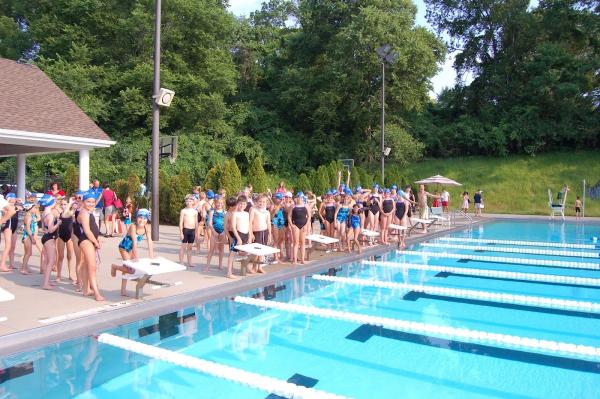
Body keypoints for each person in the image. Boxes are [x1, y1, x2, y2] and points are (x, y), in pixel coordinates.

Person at [111, 209, 154, 296]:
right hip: (124, 248)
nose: (142, 220)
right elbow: (134, 242)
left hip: (131, 250)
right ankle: (114, 267)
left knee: (126, 269)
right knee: (130, 270)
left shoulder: (147, 227)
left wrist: (151, 255)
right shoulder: (133, 226)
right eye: (140, 218)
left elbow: (149, 241)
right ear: (137, 218)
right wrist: (136, 256)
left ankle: (123, 290)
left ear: (147, 219)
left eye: (144, 218)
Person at [77, 192, 104, 301]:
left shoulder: (88, 212)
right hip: (86, 240)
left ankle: (86, 290)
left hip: (91, 240)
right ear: (83, 202)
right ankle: (96, 293)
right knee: (92, 267)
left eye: (93, 202)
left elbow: (93, 227)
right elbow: (87, 231)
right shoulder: (84, 213)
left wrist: (97, 239)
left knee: (86, 265)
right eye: (88, 201)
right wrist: (96, 242)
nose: (91, 204)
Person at [39, 194, 62, 290]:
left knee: (47, 260)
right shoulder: (51, 215)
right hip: (49, 238)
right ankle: (45, 284)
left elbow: (44, 228)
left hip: (46, 237)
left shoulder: (44, 213)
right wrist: (58, 223)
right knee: (51, 262)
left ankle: (47, 281)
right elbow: (51, 229)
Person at [227, 196, 250, 278]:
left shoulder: (247, 214)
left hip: (246, 235)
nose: (242, 205)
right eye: (240, 204)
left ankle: (244, 269)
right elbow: (233, 227)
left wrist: (250, 236)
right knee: (232, 253)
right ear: (237, 204)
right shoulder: (235, 214)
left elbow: (249, 225)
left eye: (244, 204)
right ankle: (229, 272)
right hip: (238, 235)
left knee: (245, 253)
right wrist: (238, 238)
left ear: (246, 204)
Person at [56, 196, 77, 283]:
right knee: (60, 257)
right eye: (62, 204)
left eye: (65, 204)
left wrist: (70, 204)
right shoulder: (59, 213)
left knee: (70, 256)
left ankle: (71, 274)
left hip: (69, 237)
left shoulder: (72, 212)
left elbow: (68, 214)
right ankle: (58, 275)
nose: (64, 206)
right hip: (61, 236)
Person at [249, 195, 271, 273]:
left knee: (262, 251)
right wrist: (251, 233)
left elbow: (268, 223)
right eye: (260, 201)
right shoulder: (253, 210)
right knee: (256, 251)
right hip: (256, 232)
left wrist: (270, 234)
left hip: (265, 231)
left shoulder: (267, 212)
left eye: (264, 202)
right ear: (257, 202)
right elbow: (250, 222)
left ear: (266, 203)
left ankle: (259, 267)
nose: (262, 203)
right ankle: (253, 267)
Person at [205, 196, 227, 271]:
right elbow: (210, 223)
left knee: (221, 249)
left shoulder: (225, 212)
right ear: (215, 203)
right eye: (218, 203)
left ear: (223, 203)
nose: (219, 204)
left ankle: (220, 265)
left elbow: (227, 224)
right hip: (214, 232)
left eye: (221, 203)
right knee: (211, 249)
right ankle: (207, 265)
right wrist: (213, 231)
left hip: (222, 232)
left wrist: (224, 232)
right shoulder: (212, 212)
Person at [0, 193, 18, 272]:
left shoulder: (16, 205)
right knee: (8, 246)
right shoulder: (6, 206)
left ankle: (11, 264)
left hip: (14, 227)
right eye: (12, 198)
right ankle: (2, 264)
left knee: (12, 246)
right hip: (8, 226)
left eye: (15, 198)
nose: (14, 199)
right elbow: (9, 210)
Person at [289, 192, 309, 264]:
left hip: (303, 225)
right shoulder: (293, 206)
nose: (299, 199)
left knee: (303, 243)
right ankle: (295, 260)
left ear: (303, 198)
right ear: (296, 198)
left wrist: (306, 225)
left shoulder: (306, 206)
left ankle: (302, 259)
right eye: (298, 197)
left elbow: (309, 216)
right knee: (296, 243)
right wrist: (291, 225)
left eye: (301, 198)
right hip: (296, 225)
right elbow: (289, 216)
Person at [179, 195, 198, 268]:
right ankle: (181, 261)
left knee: (190, 247)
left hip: (192, 230)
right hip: (185, 230)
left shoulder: (195, 211)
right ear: (185, 202)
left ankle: (190, 262)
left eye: (190, 201)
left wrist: (196, 233)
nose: (189, 202)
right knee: (183, 246)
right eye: (187, 201)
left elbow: (196, 223)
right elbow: (181, 222)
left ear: (193, 202)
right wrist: (181, 232)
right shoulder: (183, 211)